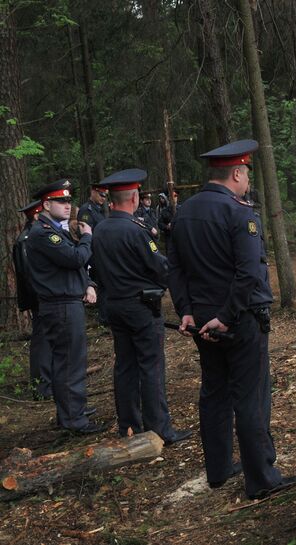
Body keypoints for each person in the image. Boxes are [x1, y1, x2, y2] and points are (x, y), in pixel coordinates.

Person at [168, 139, 296, 499]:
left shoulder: (185, 212)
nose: (246, 181)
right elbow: (248, 274)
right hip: (237, 321)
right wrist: (225, 317)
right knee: (251, 396)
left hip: (202, 320)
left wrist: (187, 311)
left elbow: (175, 269)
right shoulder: (240, 213)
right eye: (245, 174)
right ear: (238, 173)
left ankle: (219, 468)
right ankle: (261, 478)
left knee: (214, 391)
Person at [92, 169, 192, 446]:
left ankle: (128, 426)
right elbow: (159, 267)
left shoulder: (100, 229)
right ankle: (159, 428)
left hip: (114, 304)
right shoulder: (136, 231)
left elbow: (96, 268)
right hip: (141, 307)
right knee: (151, 366)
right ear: (134, 197)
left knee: (124, 365)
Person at [26, 179, 103, 434]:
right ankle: (74, 420)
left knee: (66, 362)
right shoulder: (44, 233)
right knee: (70, 363)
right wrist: (87, 238)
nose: (68, 205)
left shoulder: (53, 229)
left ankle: (71, 412)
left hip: (66, 303)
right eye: (61, 201)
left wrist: (88, 284)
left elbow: (75, 266)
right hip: (61, 306)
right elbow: (76, 258)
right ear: (46, 204)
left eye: (69, 201)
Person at [12, 200, 53, 399]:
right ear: (37, 215)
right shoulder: (27, 240)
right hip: (40, 298)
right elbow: (29, 274)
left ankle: (46, 383)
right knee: (42, 341)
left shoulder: (32, 236)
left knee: (45, 339)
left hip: (42, 297)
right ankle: (42, 386)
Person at [79, 183, 110, 325]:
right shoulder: (87, 210)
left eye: (105, 195)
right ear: (93, 192)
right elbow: (86, 233)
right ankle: (103, 318)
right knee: (103, 285)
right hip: (93, 253)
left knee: (104, 285)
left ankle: (105, 315)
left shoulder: (99, 210)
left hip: (101, 252)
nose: (103, 198)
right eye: (101, 195)